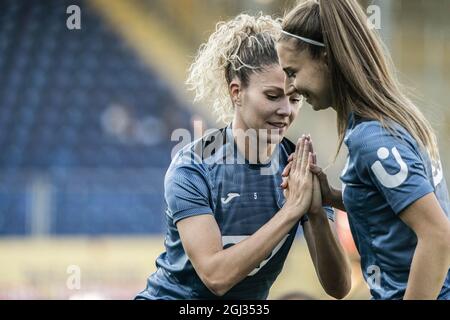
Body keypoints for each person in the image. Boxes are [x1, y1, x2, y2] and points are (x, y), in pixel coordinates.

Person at [135, 13, 351, 300]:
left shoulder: (297, 166)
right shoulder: (193, 167)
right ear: (237, 92)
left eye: (295, 98)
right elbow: (216, 276)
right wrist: (291, 211)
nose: (286, 110)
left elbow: (339, 287)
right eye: (273, 96)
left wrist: (313, 210)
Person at [278, 0, 450, 300]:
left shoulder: (372, 139)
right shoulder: (387, 120)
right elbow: (393, 209)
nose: (289, 87)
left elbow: (437, 236)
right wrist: (331, 196)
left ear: (327, 58)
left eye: (292, 72)